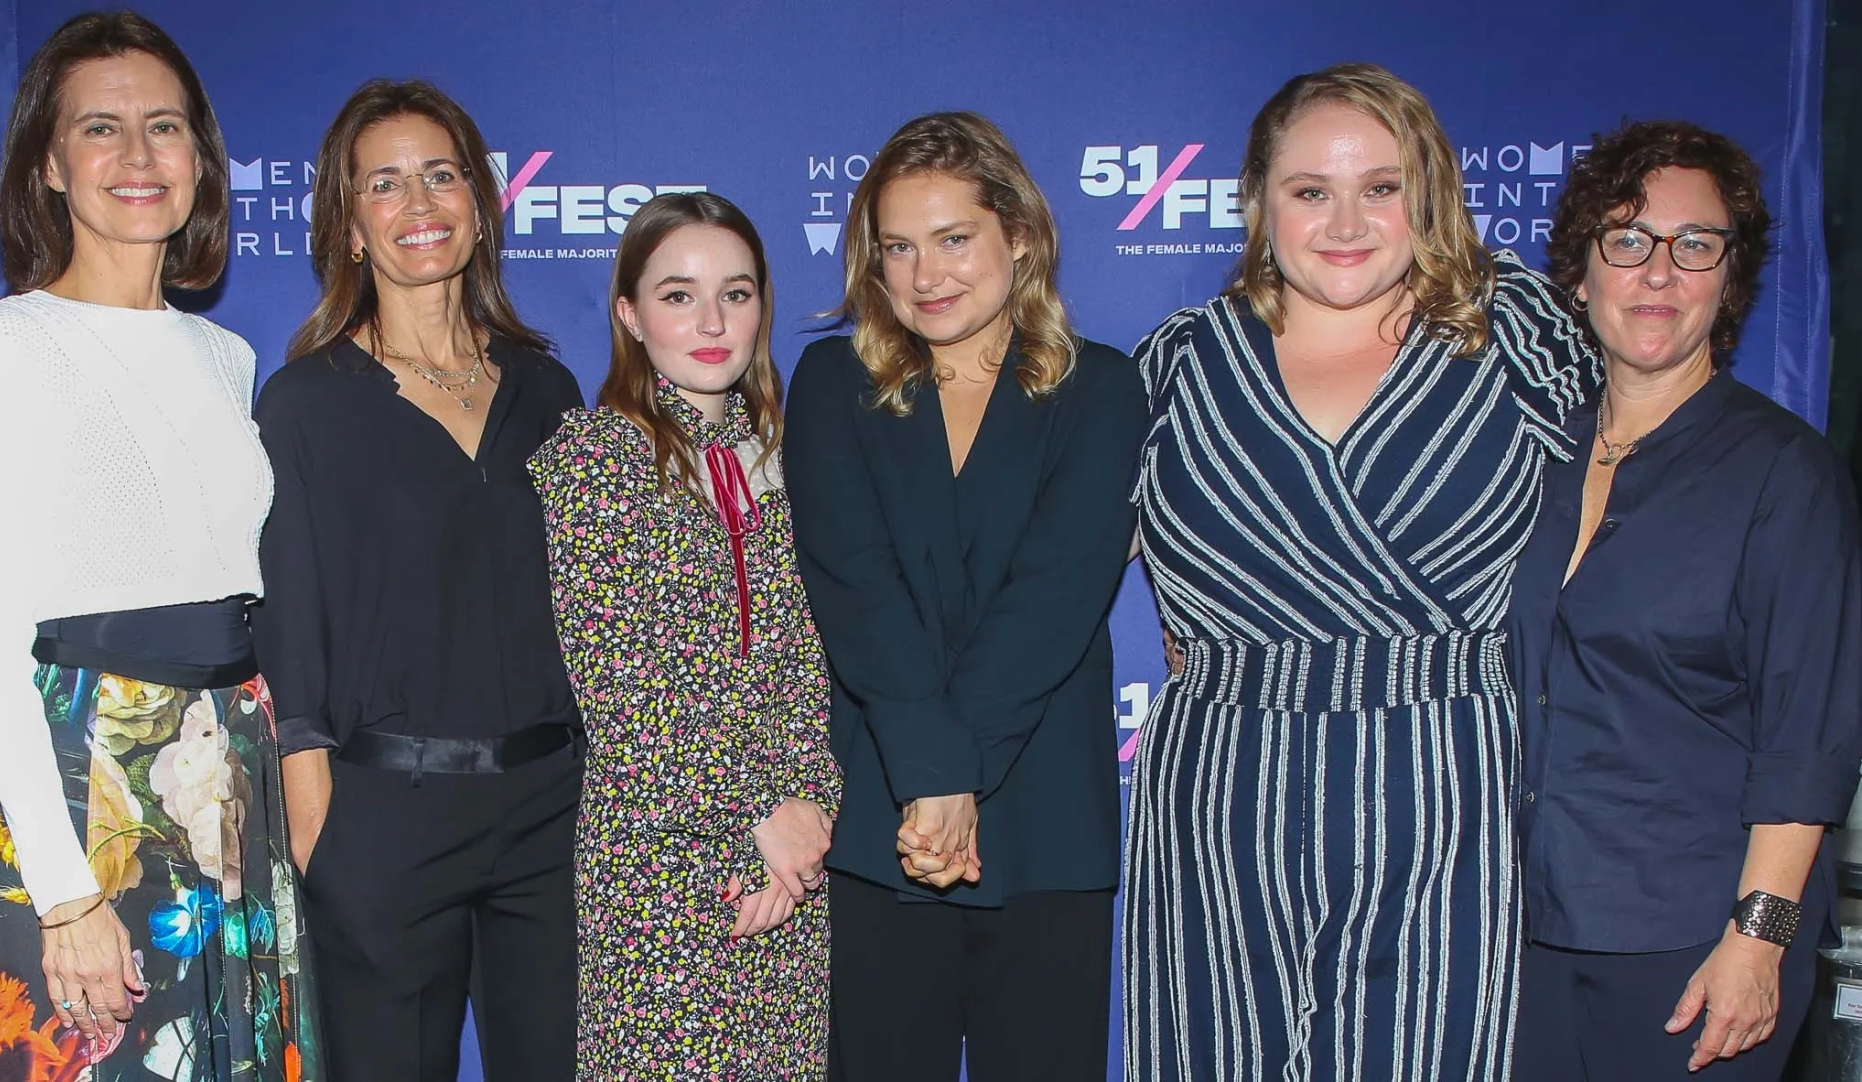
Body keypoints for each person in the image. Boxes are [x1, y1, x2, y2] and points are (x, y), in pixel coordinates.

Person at [1124, 63, 1596, 1080]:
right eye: (1310, 191)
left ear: (1426, 194)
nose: (1346, 221)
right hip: (1221, 787)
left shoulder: (1517, 333)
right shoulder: (1178, 363)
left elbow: (1645, 536)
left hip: (1441, 776)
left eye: (1380, 187)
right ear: (1257, 200)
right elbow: (1042, 573)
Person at [0, 11, 319, 1079]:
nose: (138, 155)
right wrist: (66, 890)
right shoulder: (10, 344)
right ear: (52, 164)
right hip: (86, 776)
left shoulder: (227, 354)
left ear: (201, 157)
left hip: (227, 765)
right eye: (100, 128)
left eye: (164, 126)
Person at [782, 111, 1147, 1081]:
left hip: (1048, 824)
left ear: (1017, 237)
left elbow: (1057, 596)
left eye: (954, 239)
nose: (925, 273)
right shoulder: (831, 382)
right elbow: (858, 592)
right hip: (886, 825)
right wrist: (933, 781)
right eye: (897, 247)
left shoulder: (1102, 387)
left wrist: (952, 782)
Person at [1509, 120, 1862, 1081]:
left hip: (1698, 950)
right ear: (1581, 275)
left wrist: (1760, 940)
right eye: (1627, 241)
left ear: (1729, 279)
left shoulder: (1784, 474)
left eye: (1694, 245)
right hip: (1518, 940)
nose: (1658, 272)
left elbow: (1809, 744)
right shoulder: (1527, 455)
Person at [250, 80, 584, 1081]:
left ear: (480, 206)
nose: (419, 204)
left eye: (441, 175)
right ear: (349, 228)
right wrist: (320, 834)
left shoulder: (547, 388)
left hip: (549, 817)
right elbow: (291, 628)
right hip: (386, 816)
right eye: (383, 184)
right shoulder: (307, 403)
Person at [530, 190, 838, 1080]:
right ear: (629, 313)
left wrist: (808, 816)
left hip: (794, 871)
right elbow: (626, 688)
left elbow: (815, 666)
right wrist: (752, 822)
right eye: (677, 294)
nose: (712, 321)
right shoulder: (594, 458)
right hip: (661, 864)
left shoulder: (788, 457)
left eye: (736, 294)